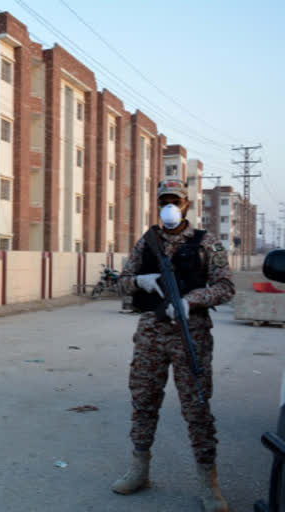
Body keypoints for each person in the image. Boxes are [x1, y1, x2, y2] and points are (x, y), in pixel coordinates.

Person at [112, 180, 235, 511]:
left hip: (191, 334)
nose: (169, 206)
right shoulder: (147, 241)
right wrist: (139, 280)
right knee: (143, 401)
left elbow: (225, 286)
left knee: (197, 408)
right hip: (151, 332)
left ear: (186, 206)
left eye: (175, 201)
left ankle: (209, 484)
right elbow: (121, 284)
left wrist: (190, 301)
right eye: (164, 200)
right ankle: (139, 471)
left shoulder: (205, 242)